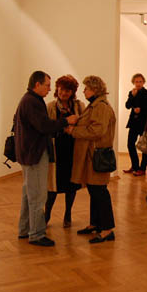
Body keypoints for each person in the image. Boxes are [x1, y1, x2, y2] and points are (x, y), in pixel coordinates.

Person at [15, 71, 78, 247]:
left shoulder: (30, 100)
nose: (50, 89)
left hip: (29, 153)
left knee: (28, 194)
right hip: (34, 154)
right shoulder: (32, 102)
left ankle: (25, 229)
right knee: (37, 196)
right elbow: (44, 125)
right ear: (37, 84)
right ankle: (36, 234)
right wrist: (66, 121)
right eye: (47, 85)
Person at [68, 76, 117, 244]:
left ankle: (107, 229)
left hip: (97, 156)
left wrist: (73, 131)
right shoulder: (95, 105)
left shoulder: (100, 107)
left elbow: (97, 131)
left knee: (100, 192)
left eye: (86, 88)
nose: (84, 91)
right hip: (91, 156)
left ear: (95, 89)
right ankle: (95, 224)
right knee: (94, 190)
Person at [45, 75, 85, 228]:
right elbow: (47, 127)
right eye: (62, 89)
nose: (64, 93)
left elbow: (85, 125)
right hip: (56, 151)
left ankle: (68, 214)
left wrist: (75, 128)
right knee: (52, 187)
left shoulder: (79, 106)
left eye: (68, 90)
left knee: (71, 185)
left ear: (72, 92)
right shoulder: (50, 107)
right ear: (57, 89)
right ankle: (46, 215)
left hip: (73, 150)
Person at [124, 73, 147, 176]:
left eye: (140, 81)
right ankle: (135, 166)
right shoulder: (131, 92)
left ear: (143, 82)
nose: (138, 83)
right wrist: (132, 96)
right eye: (136, 82)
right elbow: (127, 105)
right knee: (130, 144)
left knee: (145, 146)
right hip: (133, 122)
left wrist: (141, 109)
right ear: (133, 82)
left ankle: (142, 168)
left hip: (144, 123)